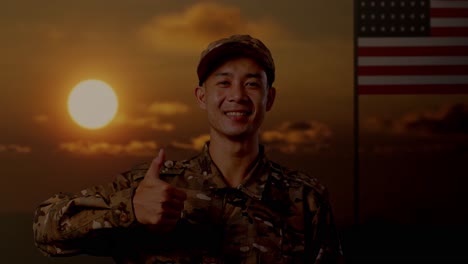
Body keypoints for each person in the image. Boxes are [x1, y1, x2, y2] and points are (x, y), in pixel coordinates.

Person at [33, 35, 343, 263]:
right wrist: (128, 210)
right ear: (201, 96)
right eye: (223, 83)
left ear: (269, 98)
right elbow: (45, 228)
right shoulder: (151, 188)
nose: (237, 95)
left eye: (251, 84)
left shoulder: (305, 199)